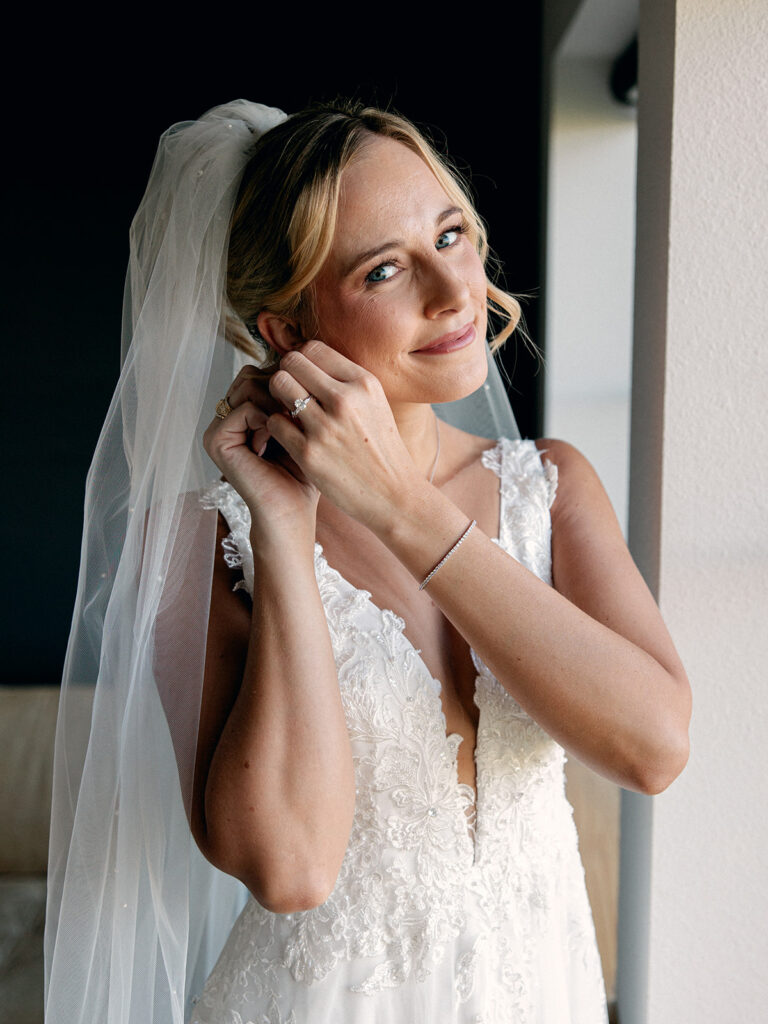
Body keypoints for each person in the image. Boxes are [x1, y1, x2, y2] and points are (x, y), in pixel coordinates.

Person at [44, 99, 691, 1024]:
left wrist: (405, 511)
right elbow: (293, 868)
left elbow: (655, 747)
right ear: (284, 334)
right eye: (385, 269)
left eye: (452, 234)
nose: (454, 291)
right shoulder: (197, 541)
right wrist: (281, 529)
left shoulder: (553, 486)